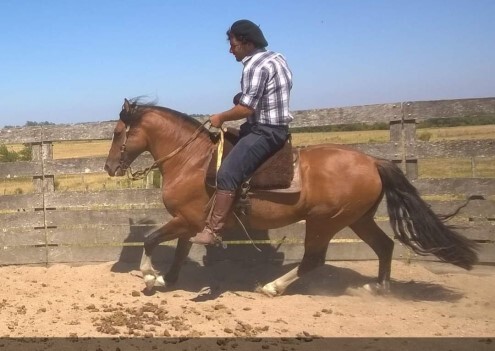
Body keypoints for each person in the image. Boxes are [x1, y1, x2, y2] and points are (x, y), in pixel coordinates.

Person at [189, 19, 293, 245]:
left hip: (265, 131)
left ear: (246, 43)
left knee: (226, 172)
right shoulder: (277, 58)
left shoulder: (254, 65)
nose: (230, 50)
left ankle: (214, 230)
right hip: (271, 126)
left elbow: (246, 108)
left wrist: (220, 117)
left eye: (233, 44)